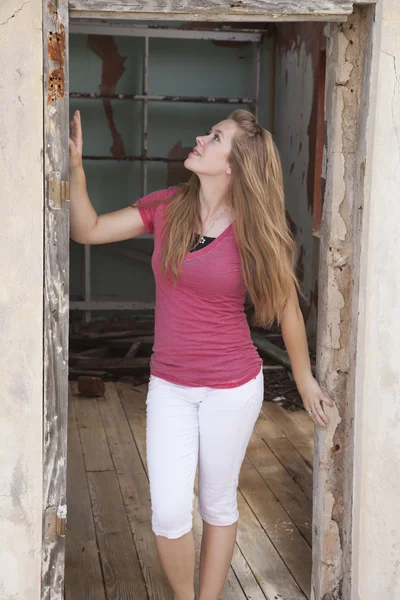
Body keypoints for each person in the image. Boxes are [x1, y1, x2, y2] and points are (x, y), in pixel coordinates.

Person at [69, 108, 333, 600]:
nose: (199, 139)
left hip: (232, 388)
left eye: (214, 138)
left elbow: (288, 310)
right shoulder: (168, 206)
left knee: (217, 503)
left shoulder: (255, 232)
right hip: (170, 384)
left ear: (233, 166)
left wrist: (304, 379)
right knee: (168, 512)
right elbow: (88, 230)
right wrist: (76, 168)